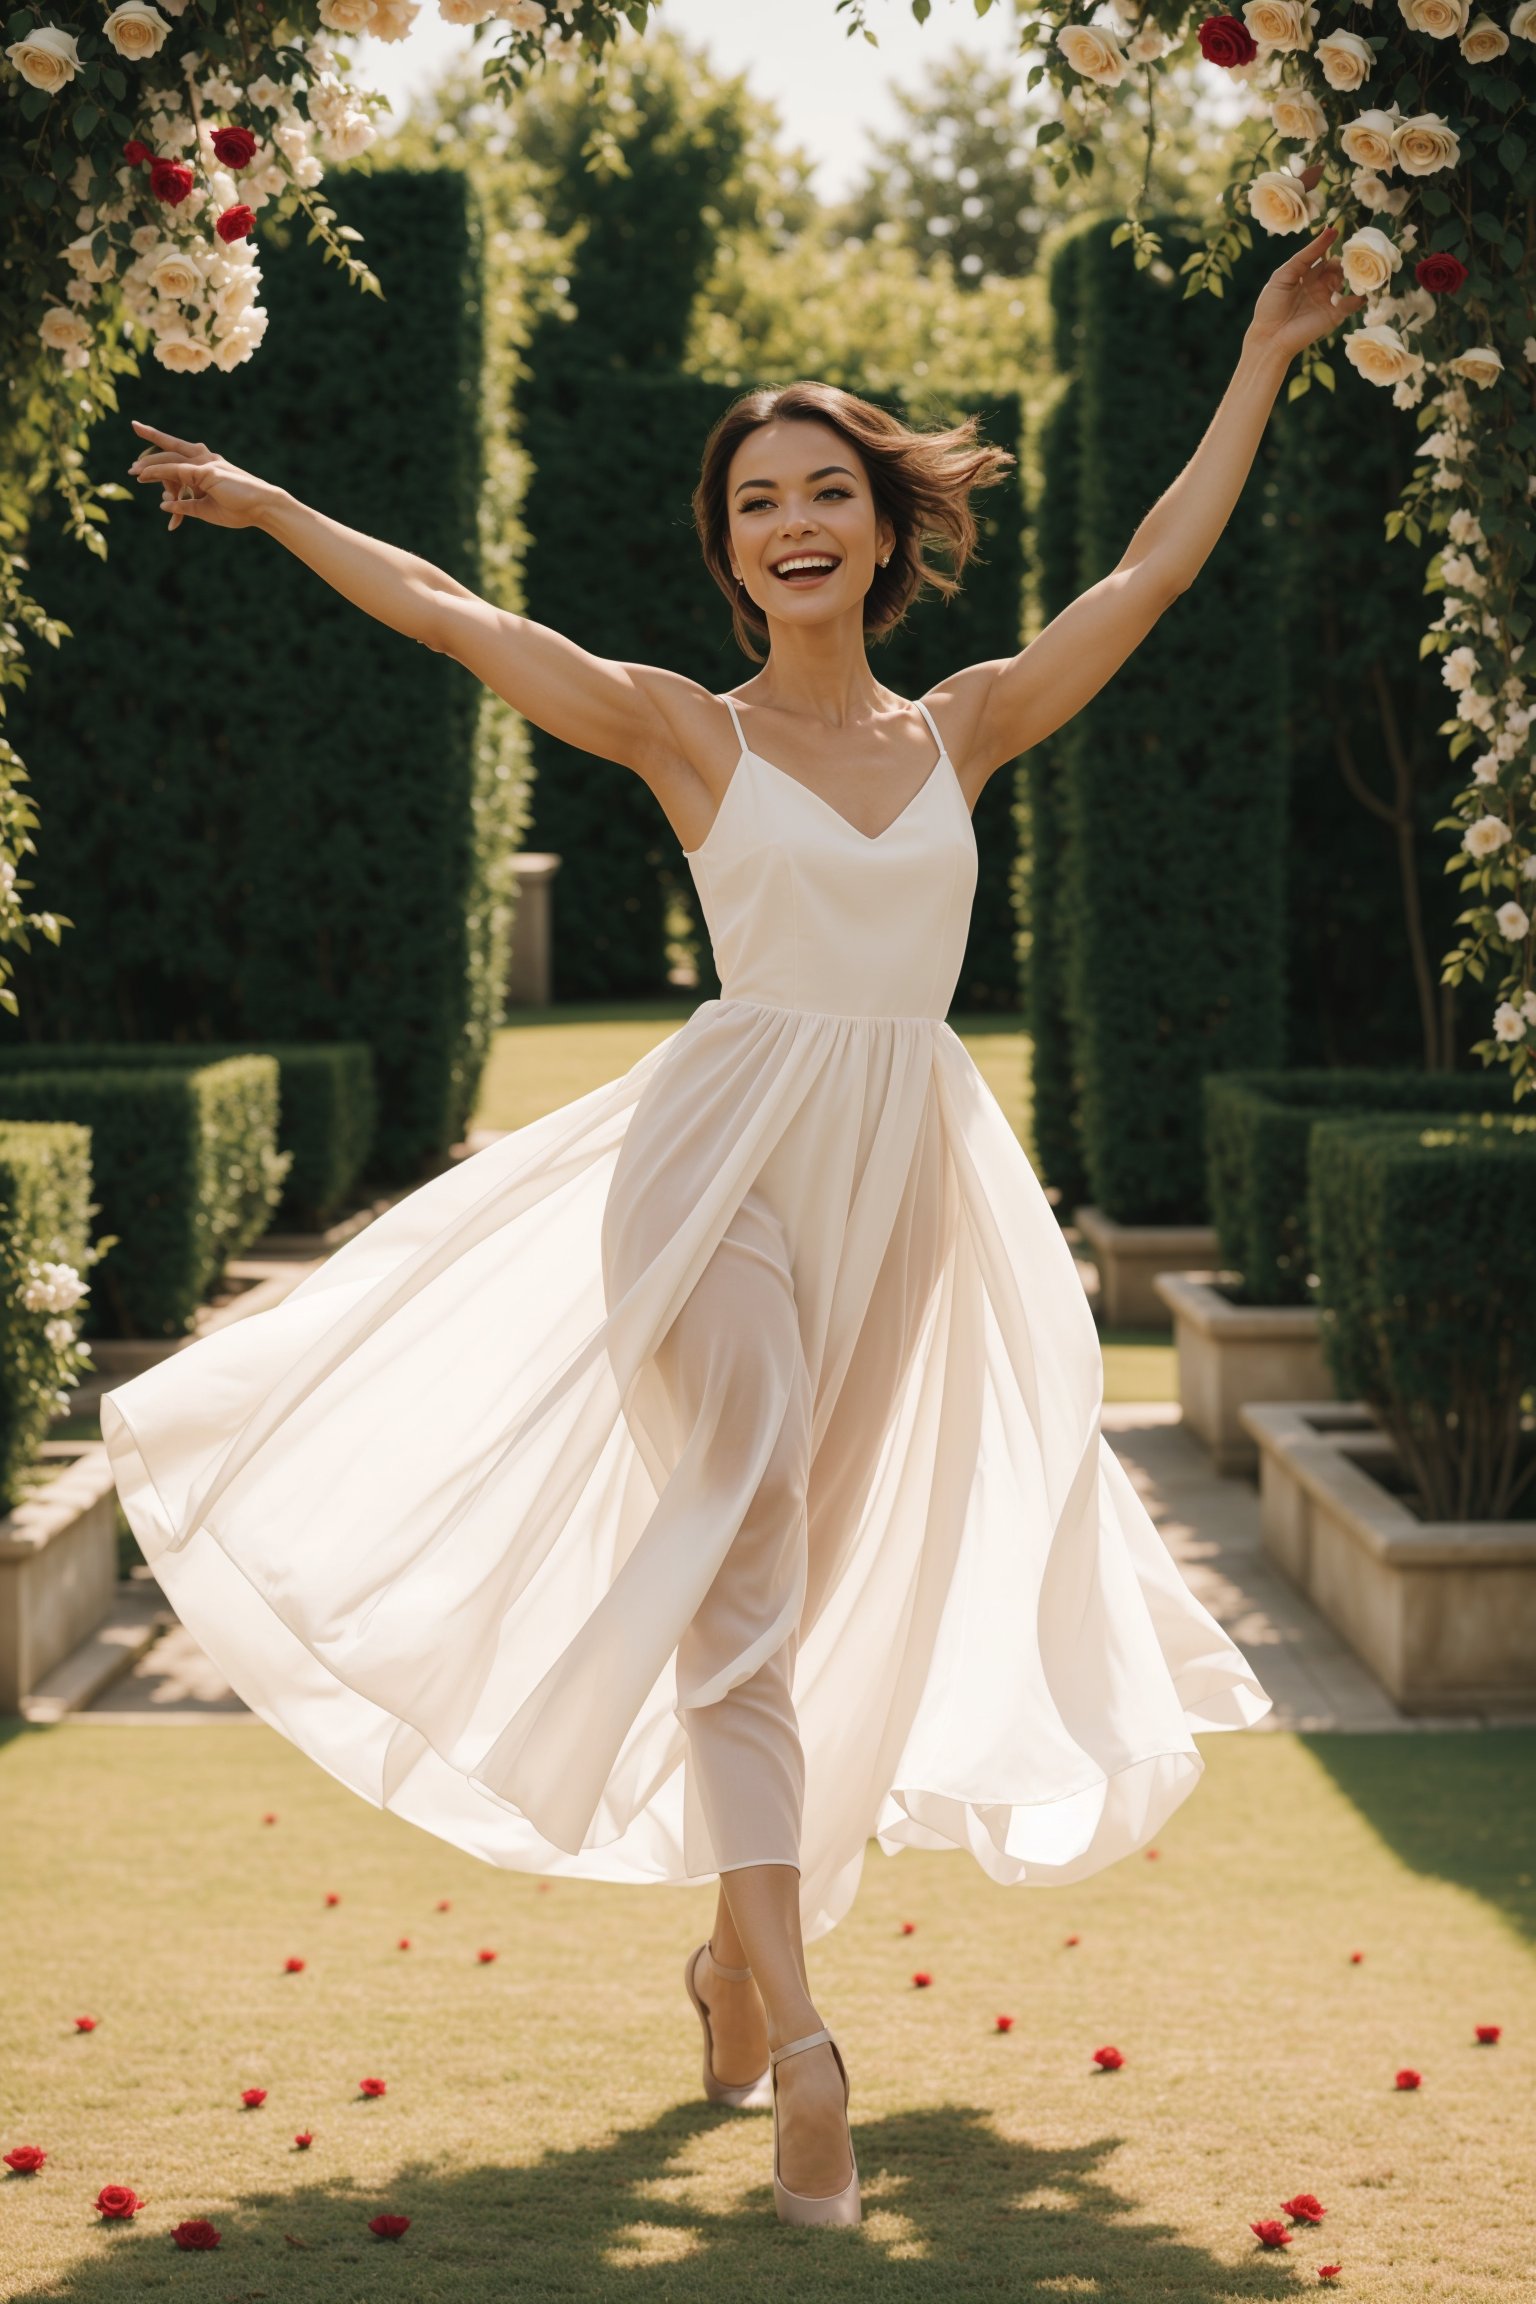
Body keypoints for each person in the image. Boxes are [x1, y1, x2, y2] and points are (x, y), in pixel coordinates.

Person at [110, 212, 1363, 2228]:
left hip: (907, 1186)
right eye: (756, 501)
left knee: (779, 1593)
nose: (792, 522)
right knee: (744, 1531)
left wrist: (1268, 357)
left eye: (825, 494)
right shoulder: (688, 728)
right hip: (717, 1171)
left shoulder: (966, 725)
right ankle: (808, 2048)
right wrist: (271, 506)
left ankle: (728, 1956)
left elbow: (1151, 569)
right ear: (732, 549)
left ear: (880, 530)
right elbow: (448, 608)